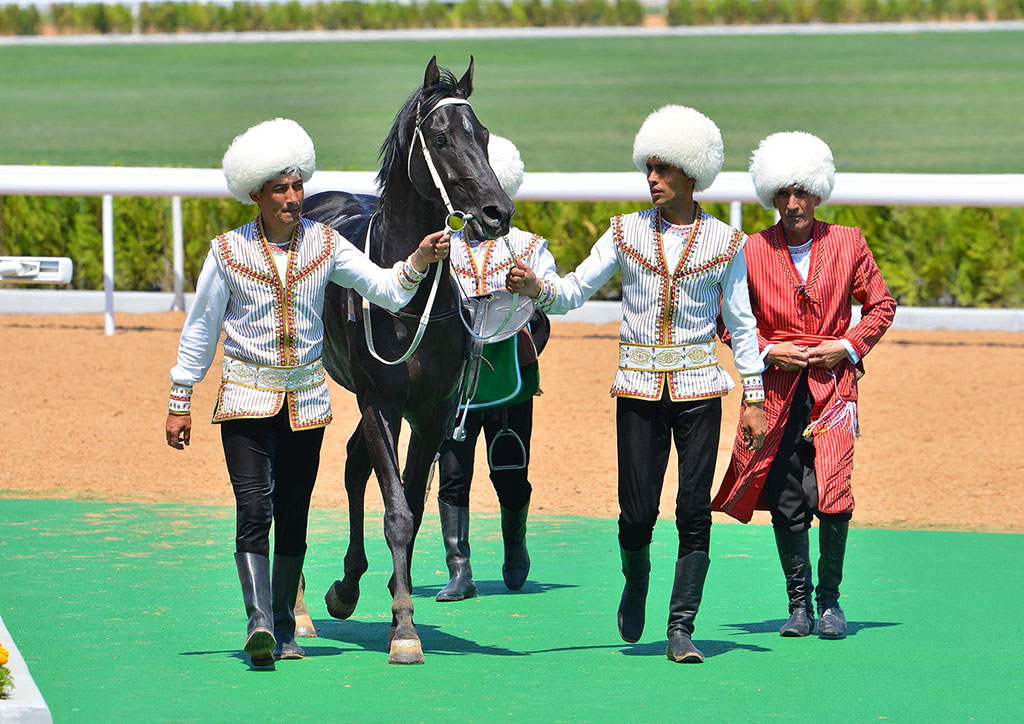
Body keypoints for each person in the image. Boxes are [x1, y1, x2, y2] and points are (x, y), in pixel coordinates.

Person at [163, 118, 449, 668]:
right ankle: (259, 621)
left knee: (294, 514)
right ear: (257, 195)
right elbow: (200, 328)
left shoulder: (326, 243)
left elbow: (383, 288)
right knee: (256, 509)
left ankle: (284, 630)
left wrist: (416, 261)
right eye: (281, 189)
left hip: (307, 404)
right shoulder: (226, 253)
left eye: (298, 186)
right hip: (245, 399)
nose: (294, 198)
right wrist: (181, 398)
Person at [506, 105, 767, 663]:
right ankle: (637, 574)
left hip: (700, 388)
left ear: (691, 176)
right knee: (636, 513)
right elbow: (574, 290)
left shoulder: (727, 242)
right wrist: (536, 286)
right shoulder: (623, 231)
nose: (652, 178)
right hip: (638, 388)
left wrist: (755, 394)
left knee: (694, 510)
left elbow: (742, 323)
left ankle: (681, 627)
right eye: (648, 168)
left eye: (663, 169)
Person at [712, 131, 896, 639]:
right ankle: (798, 605)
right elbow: (725, 317)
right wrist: (768, 350)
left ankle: (831, 603)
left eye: (802, 193)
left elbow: (881, 305)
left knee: (834, 488)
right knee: (786, 492)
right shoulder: (749, 249)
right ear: (770, 196)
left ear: (818, 193)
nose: (793, 204)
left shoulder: (849, 241)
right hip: (774, 388)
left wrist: (848, 346)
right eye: (783, 194)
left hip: (833, 388)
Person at [435, 135, 558, 602]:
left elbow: (549, 297)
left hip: (510, 372)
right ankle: (459, 569)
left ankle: (515, 544)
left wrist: (530, 284)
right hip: (454, 377)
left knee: (509, 468)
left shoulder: (529, 245)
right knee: (452, 470)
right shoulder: (442, 244)